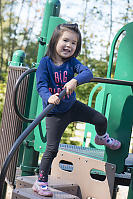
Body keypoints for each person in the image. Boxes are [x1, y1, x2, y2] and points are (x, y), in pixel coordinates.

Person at [32, 23, 121, 197]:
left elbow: (87, 72)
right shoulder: (45, 63)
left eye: (74, 43)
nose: (69, 45)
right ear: (55, 41)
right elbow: (41, 85)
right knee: (51, 149)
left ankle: (102, 137)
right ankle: (40, 182)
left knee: (101, 119)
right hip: (54, 112)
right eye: (65, 40)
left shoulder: (72, 63)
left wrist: (75, 81)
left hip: (72, 106)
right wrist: (48, 97)